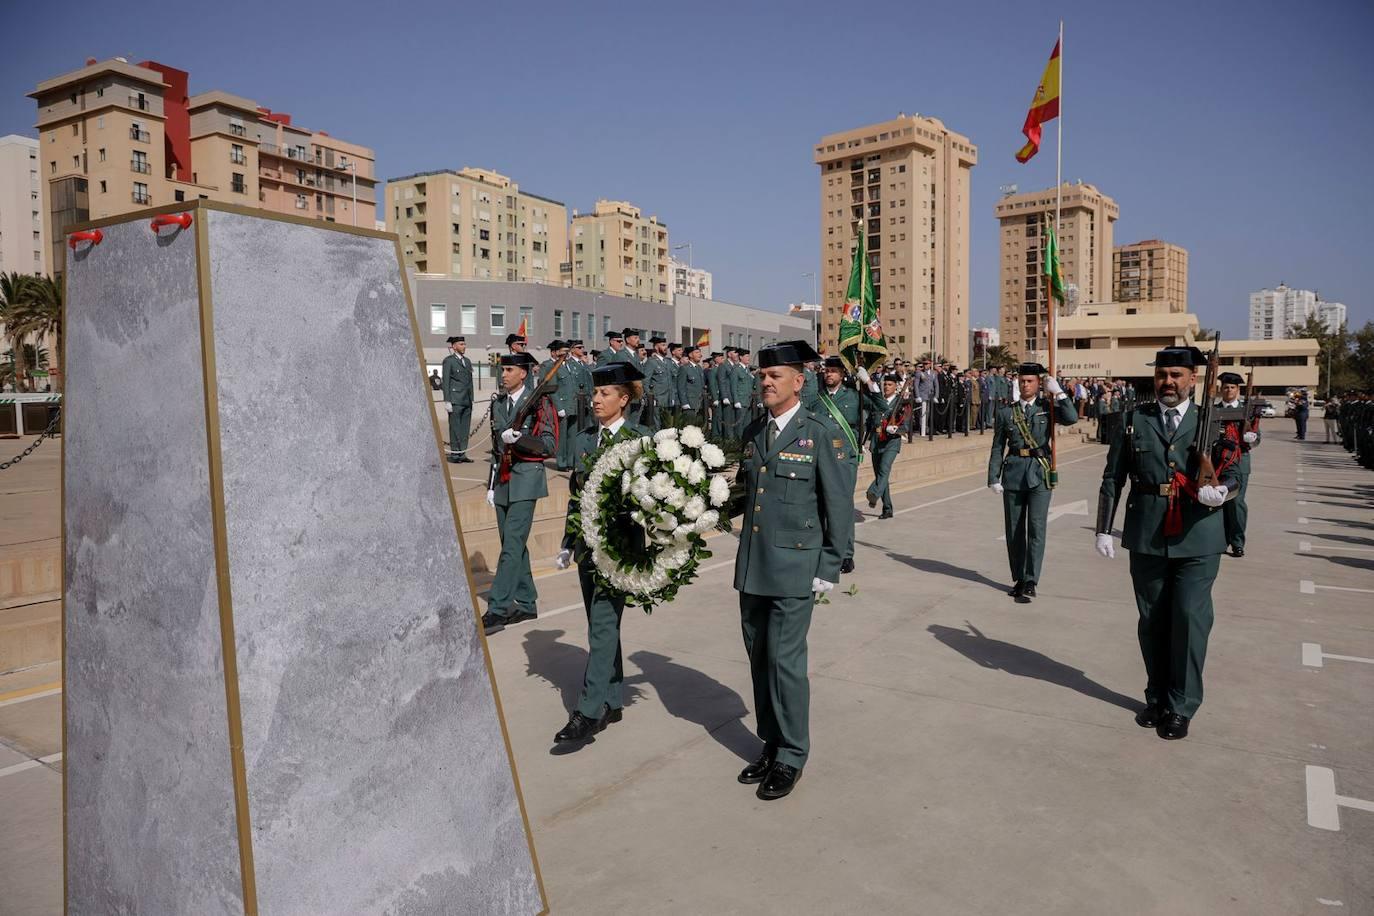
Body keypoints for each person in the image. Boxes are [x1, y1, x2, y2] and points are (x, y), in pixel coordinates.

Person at [1094, 346, 1241, 740]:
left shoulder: (1215, 420)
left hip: (1199, 535)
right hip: (1146, 533)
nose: (1168, 382)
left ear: (1193, 379)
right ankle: (1156, 696)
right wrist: (1104, 528)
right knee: (1153, 620)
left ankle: (1182, 704)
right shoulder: (1133, 420)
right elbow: (1113, 477)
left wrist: (1222, 490)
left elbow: (1236, 471)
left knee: (1190, 620)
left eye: (1177, 375)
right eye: (1162, 375)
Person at [733, 339, 853, 801]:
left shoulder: (819, 431)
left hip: (795, 565)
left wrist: (829, 563)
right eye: (761, 376)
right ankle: (771, 741)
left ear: (798, 382)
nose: (765, 382)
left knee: (785, 662)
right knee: (759, 658)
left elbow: (837, 503)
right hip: (753, 566)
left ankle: (793, 753)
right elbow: (746, 495)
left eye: (774, 376)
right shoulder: (752, 431)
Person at [550, 361, 650, 742]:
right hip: (586, 546)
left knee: (604, 622)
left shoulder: (641, 439)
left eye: (604, 393)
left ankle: (588, 711)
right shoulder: (582, 439)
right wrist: (565, 542)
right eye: (594, 393)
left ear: (623, 399)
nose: (595, 400)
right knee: (599, 624)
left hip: (620, 549)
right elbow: (577, 496)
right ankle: (612, 698)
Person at [987, 363, 1078, 602]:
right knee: (1014, 530)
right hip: (1014, 472)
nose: (1025, 384)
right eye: (1022, 380)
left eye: (1030, 381)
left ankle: (1031, 580)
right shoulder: (1007, 412)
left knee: (1036, 529)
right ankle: (1018, 578)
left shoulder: (1047, 408)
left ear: (1039, 384)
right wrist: (993, 477)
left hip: (1040, 473)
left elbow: (1071, 418)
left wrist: (1058, 392)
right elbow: (998, 446)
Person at [482, 353, 556, 635]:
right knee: (511, 544)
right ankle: (526, 603)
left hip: (526, 479)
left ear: (523, 373)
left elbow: (548, 445)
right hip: (502, 478)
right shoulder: (499, 404)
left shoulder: (540, 403)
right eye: (503, 370)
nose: (504, 375)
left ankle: (497, 608)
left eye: (509, 370)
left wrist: (522, 439)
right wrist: (490, 485)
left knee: (512, 543)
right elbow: (494, 446)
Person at [816, 356, 863, 573]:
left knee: (842, 507)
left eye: (834, 371)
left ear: (842, 375)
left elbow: (881, 408)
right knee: (822, 506)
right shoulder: (817, 398)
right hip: (822, 457)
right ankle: (826, 548)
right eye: (827, 371)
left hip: (845, 457)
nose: (829, 374)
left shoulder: (854, 395)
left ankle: (846, 554)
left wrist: (870, 384)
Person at [1216, 372, 1260, 558]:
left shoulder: (1247, 410)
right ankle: (1219, 541)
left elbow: (1256, 437)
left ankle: (1237, 542)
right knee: (1217, 502)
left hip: (1240, 461)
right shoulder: (1214, 409)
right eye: (1226, 387)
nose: (1229, 390)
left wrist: (1252, 439)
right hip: (1217, 463)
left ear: (1238, 390)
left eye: (1232, 387)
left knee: (1236, 503)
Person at [859, 368, 909, 519]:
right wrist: (862, 442)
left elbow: (906, 425)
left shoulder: (902, 403)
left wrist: (897, 429)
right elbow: (870, 422)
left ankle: (873, 493)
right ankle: (887, 508)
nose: (886, 387)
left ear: (896, 386)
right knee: (881, 476)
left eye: (889, 384)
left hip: (891, 442)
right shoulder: (877, 401)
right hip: (876, 441)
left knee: (884, 470)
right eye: (885, 384)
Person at [539, 340, 579, 471]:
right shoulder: (552, 367)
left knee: (572, 435)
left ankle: (571, 461)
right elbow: (552, 389)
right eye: (563, 352)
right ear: (555, 353)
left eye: (567, 352)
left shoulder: (569, 366)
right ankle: (561, 462)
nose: (566, 354)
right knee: (562, 436)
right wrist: (559, 407)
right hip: (562, 405)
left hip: (573, 405)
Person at [440, 336, 474, 464]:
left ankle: (462, 453)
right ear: (454, 346)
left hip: (467, 400)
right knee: (455, 428)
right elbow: (446, 381)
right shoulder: (449, 361)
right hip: (455, 399)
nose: (464, 346)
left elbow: (470, 382)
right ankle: (455, 454)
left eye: (464, 344)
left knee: (465, 428)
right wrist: (447, 400)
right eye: (461, 344)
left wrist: (472, 398)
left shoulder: (468, 361)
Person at [644, 336, 676, 430]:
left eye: (665, 345)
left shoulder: (668, 362)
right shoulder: (651, 362)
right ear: (656, 347)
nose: (665, 347)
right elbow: (645, 381)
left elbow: (673, 380)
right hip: (658, 400)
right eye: (663, 345)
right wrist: (651, 397)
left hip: (669, 399)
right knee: (657, 427)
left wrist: (673, 396)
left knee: (668, 426)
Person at [677, 344, 706, 426]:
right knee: (690, 428)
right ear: (690, 355)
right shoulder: (684, 368)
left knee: (699, 428)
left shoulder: (699, 368)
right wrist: (684, 403)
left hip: (700, 404)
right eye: (697, 352)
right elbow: (681, 387)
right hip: (690, 405)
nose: (700, 355)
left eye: (700, 353)